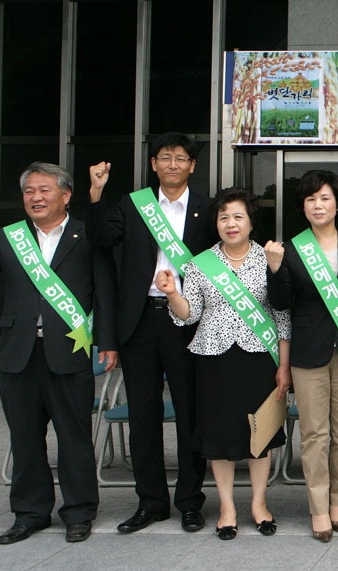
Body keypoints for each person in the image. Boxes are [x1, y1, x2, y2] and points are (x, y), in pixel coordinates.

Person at [87, 132, 216, 534]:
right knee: (143, 415)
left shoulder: (207, 209)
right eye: (165, 157)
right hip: (140, 320)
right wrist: (96, 194)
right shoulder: (133, 204)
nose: (173, 164)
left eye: (181, 158)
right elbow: (102, 238)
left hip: (188, 320)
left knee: (190, 414)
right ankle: (152, 502)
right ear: (154, 164)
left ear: (193, 166)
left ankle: (191, 501)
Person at [156, 187, 290, 540]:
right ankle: (227, 507)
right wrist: (172, 293)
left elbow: (282, 316)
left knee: (259, 435)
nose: (231, 224)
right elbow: (189, 316)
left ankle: (259, 505)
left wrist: (284, 366)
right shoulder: (200, 264)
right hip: (213, 359)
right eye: (224, 217)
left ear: (251, 222)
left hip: (260, 358)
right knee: (219, 436)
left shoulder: (270, 258)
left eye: (238, 217)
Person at [0, 163, 118, 545]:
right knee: (25, 438)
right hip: (18, 354)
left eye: (44, 190)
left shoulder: (87, 235)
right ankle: (29, 513)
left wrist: (109, 342)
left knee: (74, 437)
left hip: (68, 350)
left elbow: (105, 290)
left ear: (65, 195)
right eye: (30, 191)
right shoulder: (7, 238)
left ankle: (79, 512)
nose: (36, 197)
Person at [267, 170, 338, 542]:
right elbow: (281, 303)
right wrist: (273, 269)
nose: (318, 205)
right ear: (303, 207)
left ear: (337, 203)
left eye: (325, 198)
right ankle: (318, 507)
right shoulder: (290, 248)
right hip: (308, 351)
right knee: (314, 433)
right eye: (310, 200)